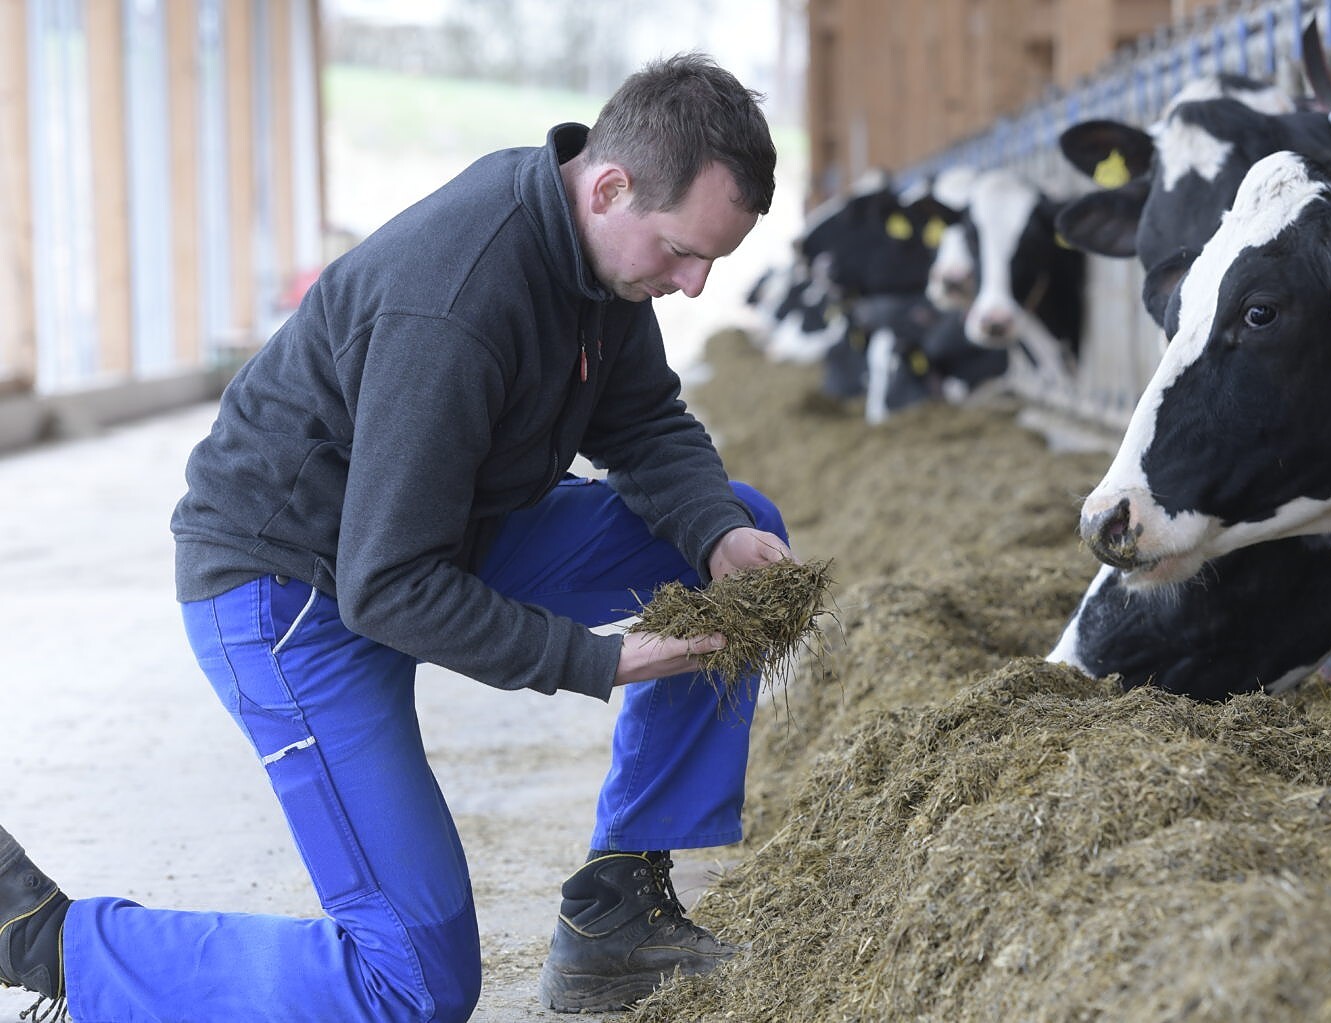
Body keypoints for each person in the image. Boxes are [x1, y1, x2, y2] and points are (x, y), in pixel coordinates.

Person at [0, 52, 791, 1021]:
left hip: (431, 535)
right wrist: (590, 661)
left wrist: (714, 534)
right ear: (611, 184)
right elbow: (387, 587)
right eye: (681, 251)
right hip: (293, 593)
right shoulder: (457, 301)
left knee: (743, 533)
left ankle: (618, 905)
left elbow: (646, 425)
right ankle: (44, 939)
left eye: (713, 258)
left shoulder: (601, 264)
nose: (698, 284)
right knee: (412, 986)